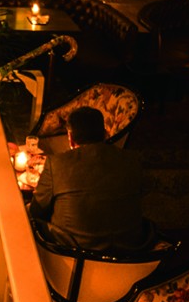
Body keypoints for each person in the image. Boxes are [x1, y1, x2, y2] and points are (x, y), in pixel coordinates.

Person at [28, 106, 150, 253]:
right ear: (105, 133)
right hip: (130, 248)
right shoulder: (133, 159)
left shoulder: (56, 163)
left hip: (76, 252)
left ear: (70, 137)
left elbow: (37, 211)